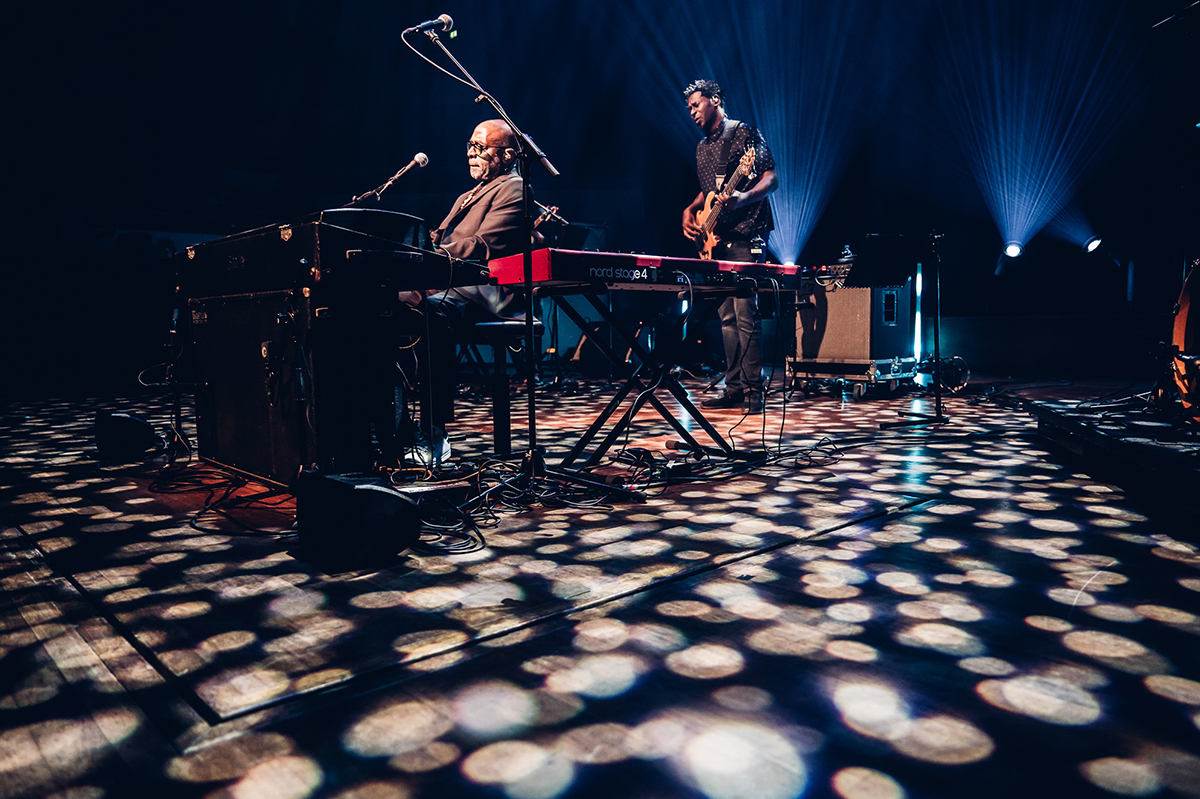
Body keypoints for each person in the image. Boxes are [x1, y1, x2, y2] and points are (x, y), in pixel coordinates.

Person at [397, 119, 528, 463]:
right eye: (469, 145)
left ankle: (434, 433)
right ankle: (391, 424)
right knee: (385, 306)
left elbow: (485, 245)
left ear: (508, 154)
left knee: (428, 314)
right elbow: (439, 239)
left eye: (480, 147)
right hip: (452, 287)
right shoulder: (465, 195)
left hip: (485, 293)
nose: (471, 153)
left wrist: (433, 257)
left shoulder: (515, 188)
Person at [681, 79, 779, 414]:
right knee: (725, 317)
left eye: (697, 104)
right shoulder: (702, 147)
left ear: (716, 100)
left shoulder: (743, 133)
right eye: (690, 108)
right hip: (716, 239)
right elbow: (711, 189)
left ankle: (754, 391)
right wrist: (691, 208)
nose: (692, 112)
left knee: (744, 312)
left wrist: (745, 197)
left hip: (747, 233)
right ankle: (734, 386)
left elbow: (770, 177)